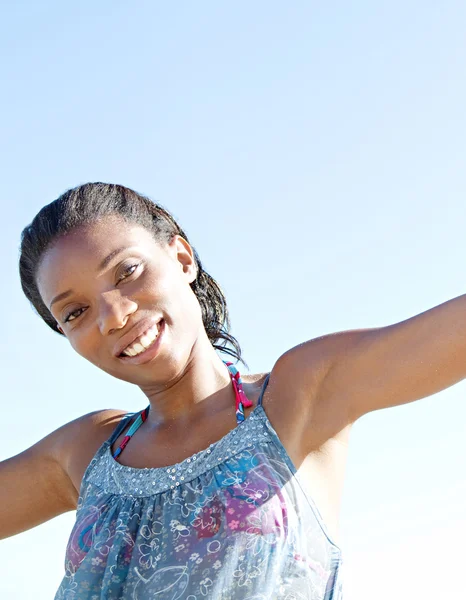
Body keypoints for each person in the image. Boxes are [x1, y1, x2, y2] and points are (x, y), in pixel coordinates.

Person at [3, 182, 465, 599]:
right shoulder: (86, 453)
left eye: (126, 272)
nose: (114, 315)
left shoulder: (298, 398)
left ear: (182, 259)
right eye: (75, 312)